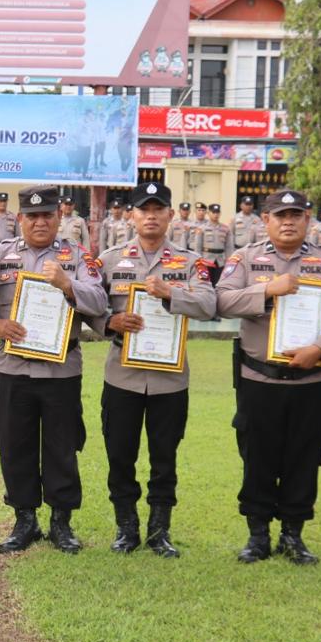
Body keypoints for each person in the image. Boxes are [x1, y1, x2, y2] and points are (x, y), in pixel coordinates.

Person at [216, 189, 321, 565]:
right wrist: (267, 289)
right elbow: (222, 300)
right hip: (259, 380)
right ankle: (258, 535)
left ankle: (293, 535)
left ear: (308, 219)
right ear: (266, 220)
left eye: (296, 215)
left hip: (309, 381)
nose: (288, 222)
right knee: (257, 456)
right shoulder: (245, 258)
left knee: (304, 456)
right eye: (280, 215)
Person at [0, 185, 108, 554]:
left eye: (47, 215)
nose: (40, 222)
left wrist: (67, 284)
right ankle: (24, 519)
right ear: (20, 219)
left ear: (58, 218)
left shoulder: (77, 256)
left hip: (62, 370)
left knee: (62, 445)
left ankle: (61, 522)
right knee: (15, 444)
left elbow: (99, 301)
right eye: (32, 216)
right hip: (14, 368)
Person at [91, 182, 218, 558]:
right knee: (120, 454)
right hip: (122, 374)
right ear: (132, 215)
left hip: (169, 379)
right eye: (143, 209)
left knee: (165, 458)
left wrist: (170, 293)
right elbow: (89, 306)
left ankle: (160, 531)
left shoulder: (190, 262)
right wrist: (109, 322)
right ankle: (126, 527)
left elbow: (209, 305)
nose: (150, 216)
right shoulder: (110, 260)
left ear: (170, 215)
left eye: (158, 209)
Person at [200, 203, 233, 285]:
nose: (216, 215)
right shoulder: (202, 228)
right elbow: (198, 246)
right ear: (208, 213)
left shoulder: (225, 228)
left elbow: (229, 247)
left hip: (220, 260)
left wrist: (228, 261)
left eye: (217, 212)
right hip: (206, 259)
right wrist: (199, 261)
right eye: (213, 212)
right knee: (206, 283)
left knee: (219, 283)